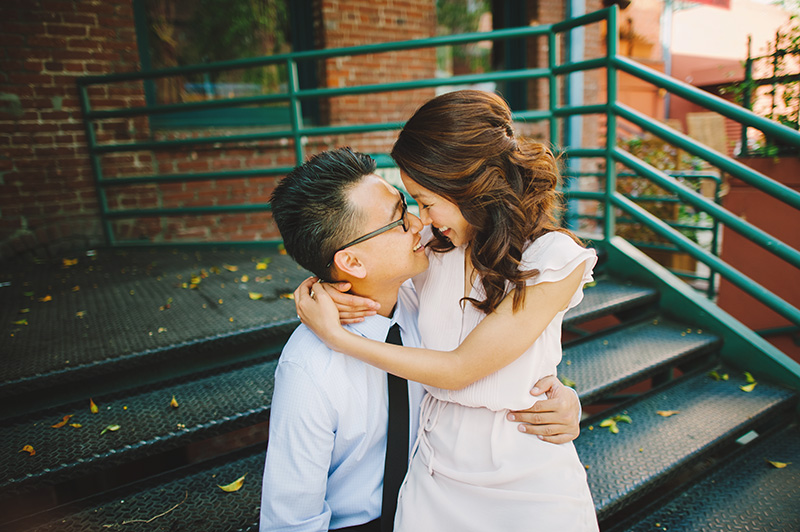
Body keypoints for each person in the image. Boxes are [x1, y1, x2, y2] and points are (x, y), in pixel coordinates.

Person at [295, 91, 599, 531]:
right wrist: (321, 287)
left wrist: (339, 339)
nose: (421, 218)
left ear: (468, 188)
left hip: (523, 468)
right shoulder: (437, 253)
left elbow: (461, 369)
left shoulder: (553, 260)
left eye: (425, 200)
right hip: (435, 469)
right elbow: (366, 262)